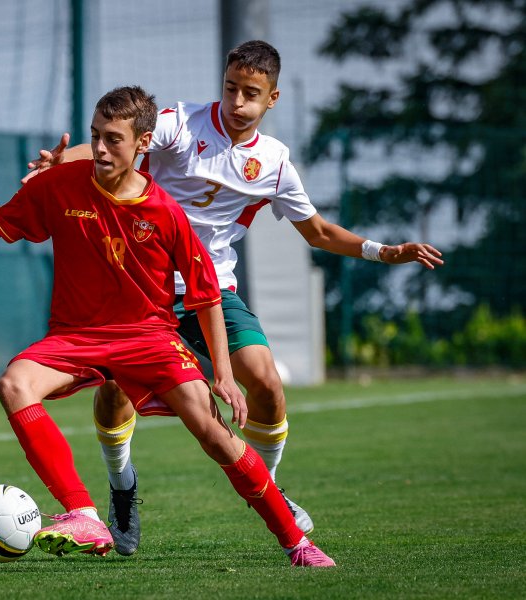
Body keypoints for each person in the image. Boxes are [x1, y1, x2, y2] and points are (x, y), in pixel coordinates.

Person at [0, 85, 335, 567]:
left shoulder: (166, 212)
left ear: (143, 143)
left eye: (112, 139)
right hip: (74, 338)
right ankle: (83, 513)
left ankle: (296, 542)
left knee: (215, 434)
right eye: (95, 135)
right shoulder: (59, 186)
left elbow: (205, 295)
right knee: (13, 384)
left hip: (151, 339)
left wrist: (222, 373)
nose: (98, 149)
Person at [24, 40, 444, 555]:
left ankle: (269, 489)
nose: (237, 102)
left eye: (251, 93)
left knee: (266, 382)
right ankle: (121, 488)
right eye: (230, 88)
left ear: (272, 99)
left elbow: (318, 232)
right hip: (141, 289)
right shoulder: (183, 123)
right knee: (113, 396)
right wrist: (62, 160)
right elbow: (116, 142)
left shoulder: (274, 162)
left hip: (212, 291)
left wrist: (386, 251)